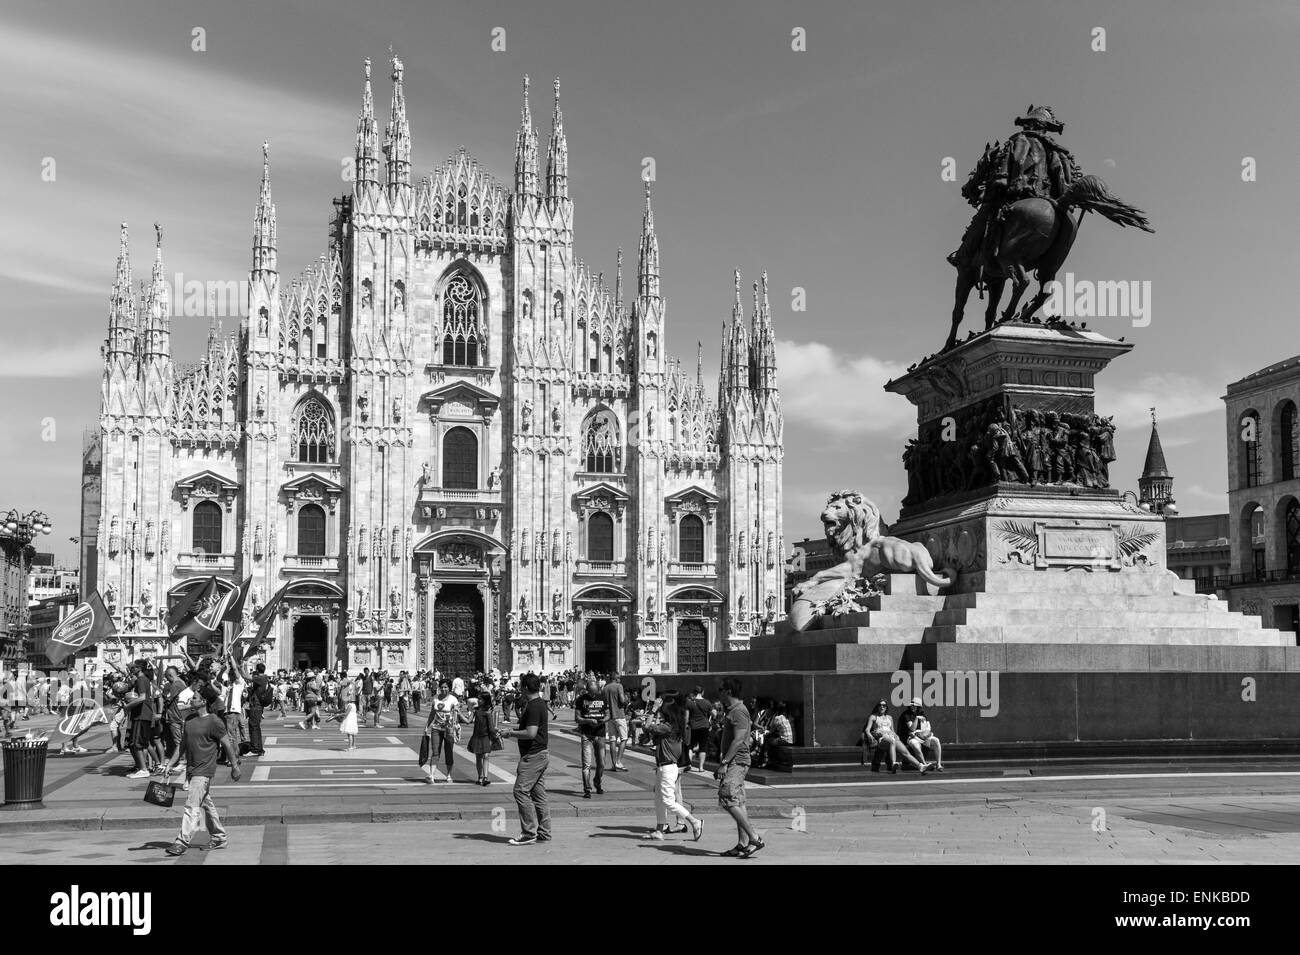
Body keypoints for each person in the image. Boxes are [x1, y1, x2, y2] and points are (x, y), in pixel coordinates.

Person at [166, 685, 240, 856]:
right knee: (207, 805)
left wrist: (235, 766)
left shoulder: (214, 721)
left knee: (192, 806)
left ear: (204, 701)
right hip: (191, 769)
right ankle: (219, 837)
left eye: (194, 698)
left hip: (204, 770)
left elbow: (227, 744)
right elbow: (182, 745)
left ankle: (182, 841)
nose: (191, 700)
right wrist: (170, 764)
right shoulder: (190, 719)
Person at [498, 672, 550, 845]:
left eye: (521, 685)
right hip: (540, 754)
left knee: (520, 791)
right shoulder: (539, 703)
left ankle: (529, 832)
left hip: (533, 756)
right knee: (539, 794)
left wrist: (510, 733)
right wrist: (511, 729)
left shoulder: (534, 706)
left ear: (525, 687)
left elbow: (531, 733)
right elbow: (530, 727)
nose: (519, 688)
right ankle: (544, 832)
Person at [646, 693, 703, 841]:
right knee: (659, 799)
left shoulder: (667, 727)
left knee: (667, 801)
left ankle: (694, 822)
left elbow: (646, 726)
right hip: (663, 766)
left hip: (667, 767)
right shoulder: (673, 727)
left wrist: (653, 709)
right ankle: (659, 829)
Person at [716, 678, 763, 858]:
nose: (718, 692)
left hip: (737, 761)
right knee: (739, 801)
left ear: (728, 691)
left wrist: (724, 763)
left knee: (727, 797)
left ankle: (754, 837)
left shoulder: (739, 711)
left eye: (721, 689)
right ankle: (743, 844)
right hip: (735, 760)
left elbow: (738, 739)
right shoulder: (733, 710)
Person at [863, 700, 928, 774]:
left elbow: (892, 730)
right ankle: (893, 763)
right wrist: (869, 735)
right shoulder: (873, 717)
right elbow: (867, 729)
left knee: (905, 752)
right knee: (892, 741)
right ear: (877, 707)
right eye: (880, 705)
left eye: (884, 705)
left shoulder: (889, 718)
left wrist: (896, 735)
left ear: (886, 707)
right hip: (882, 739)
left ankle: (920, 766)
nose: (882, 707)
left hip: (892, 737)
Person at [423, 679, 468, 783]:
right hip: (436, 728)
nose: (443, 689)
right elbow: (432, 713)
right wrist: (427, 725)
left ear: (449, 688)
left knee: (449, 752)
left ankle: (448, 775)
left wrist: (456, 723)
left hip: (449, 729)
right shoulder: (435, 698)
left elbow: (457, 713)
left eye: (446, 687)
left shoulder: (453, 699)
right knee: (435, 752)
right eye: (442, 687)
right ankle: (431, 775)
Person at [573, 678, 607, 798]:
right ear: (587, 690)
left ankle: (597, 781)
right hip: (586, 734)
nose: (593, 695)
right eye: (591, 692)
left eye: (595, 692)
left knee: (601, 763)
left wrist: (604, 719)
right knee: (586, 764)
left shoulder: (603, 698)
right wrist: (588, 720)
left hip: (600, 733)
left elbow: (609, 714)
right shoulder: (581, 700)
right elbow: (577, 718)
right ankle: (587, 789)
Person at [899, 697, 944, 772]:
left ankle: (938, 764)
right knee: (916, 745)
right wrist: (916, 718)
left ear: (918, 707)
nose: (912, 707)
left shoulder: (923, 715)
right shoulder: (906, 714)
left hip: (922, 737)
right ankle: (924, 764)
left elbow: (928, 728)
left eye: (914, 706)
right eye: (912, 705)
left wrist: (925, 734)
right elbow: (912, 729)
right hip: (911, 738)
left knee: (936, 740)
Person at [159, 666, 188, 777]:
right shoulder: (181, 683)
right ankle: (179, 760)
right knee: (178, 739)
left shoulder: (176, 685)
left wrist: (163, 691)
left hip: (175, 716)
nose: (166, 680)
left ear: (170, 675)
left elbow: (167, 698)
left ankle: (182, 761)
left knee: (178, 740)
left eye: (167, 677)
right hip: (178, 716)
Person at [466, 691, 499, 786]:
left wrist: (495, 734)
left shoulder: (488, 711)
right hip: (477, 736)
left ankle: (485, 777)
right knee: (478, 757)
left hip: (486, 736)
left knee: (486, 756)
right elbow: (468, 721)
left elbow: (491, 726)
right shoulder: (475, 709)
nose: (478, 700)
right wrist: (458, 713)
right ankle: (480, 777)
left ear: (485, 700)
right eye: (478, 698)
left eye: (480, 699)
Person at [602, 677, 629, 771]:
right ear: (615, 678)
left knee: (612, 740)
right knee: (624, 738)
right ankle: (618, 761)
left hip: (610, 716)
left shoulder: (605, 688)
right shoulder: (619, 686)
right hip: (620, 715)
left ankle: (614, 764)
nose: (620, 679)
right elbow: (622, 700)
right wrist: (626, 701)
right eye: (618, 678)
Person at [246, 662, 272, 756]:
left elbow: (246, 677)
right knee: (256, 727)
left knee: (253, 726)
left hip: (256, 705)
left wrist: (242, 666)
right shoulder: (265, 677)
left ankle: (255, 749)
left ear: (257, 670)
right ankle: (259, 748)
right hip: (259, 705)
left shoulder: (260, 678)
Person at [686, 686, 712, 773]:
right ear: (703, 692)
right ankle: (701, 767)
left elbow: (686, 717)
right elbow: (713, 714)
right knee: (703, 747)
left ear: (694, 692)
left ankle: (689, 765)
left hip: (693, 726)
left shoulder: (689, 703)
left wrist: (686, 724)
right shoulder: (707, 702)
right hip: (704, 726)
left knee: (690, 746)